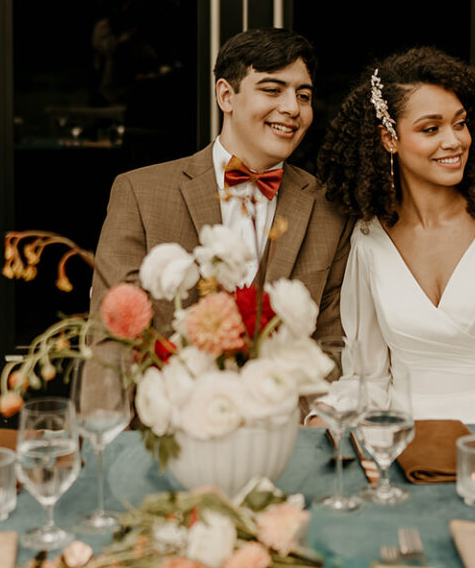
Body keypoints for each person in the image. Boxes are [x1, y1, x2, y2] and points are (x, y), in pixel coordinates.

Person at [316, 47, 475, 421]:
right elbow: (367, 379)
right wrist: (324, 415)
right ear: (389, 138)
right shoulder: (369, 239)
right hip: (401, 447)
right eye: (430, 128)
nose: (454, 141)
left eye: (460, 122)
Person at [92, 27, 352, 347]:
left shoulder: (331, 210)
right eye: (272, 90)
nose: (292, 108)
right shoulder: (139, 194)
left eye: (304, 95)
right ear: (226, 96)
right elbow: (110, 339)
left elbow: (334, 346)